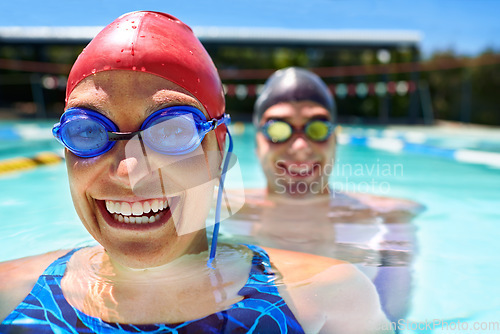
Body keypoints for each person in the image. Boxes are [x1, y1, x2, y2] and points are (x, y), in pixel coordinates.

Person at [0, 11, 393, 333]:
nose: (127, 171)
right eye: (88, 131)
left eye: (171, 130)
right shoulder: (7, 296)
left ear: (219, 149)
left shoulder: (328, 299)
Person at [221, 67, 424, 324]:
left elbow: (392, 318)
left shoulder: (389, 215)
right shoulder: (222, 207)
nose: (300, 147)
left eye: (317, 128)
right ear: (256, 141)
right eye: (278, 129)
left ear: (335, 139)